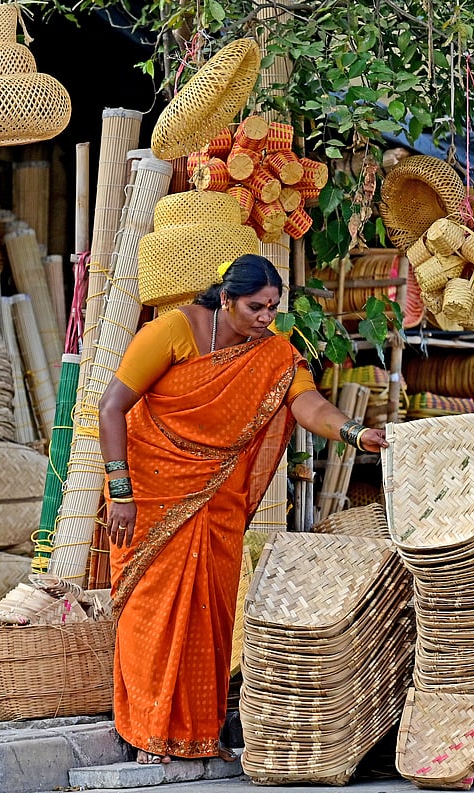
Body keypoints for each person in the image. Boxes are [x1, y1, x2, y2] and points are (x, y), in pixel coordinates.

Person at [97, 253, 387, 765]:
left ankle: (199, 734)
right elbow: (112, 406)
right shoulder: (174, 330)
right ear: (226, 299)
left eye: (273, 309)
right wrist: (121, 493)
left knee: (209, 615)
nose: (265, 318)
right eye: (255, 307)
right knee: (152, 613)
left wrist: (354, 432)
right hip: (149, 489)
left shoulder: (273, 353)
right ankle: (147, 735)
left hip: (218, 504)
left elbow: (307, 403)